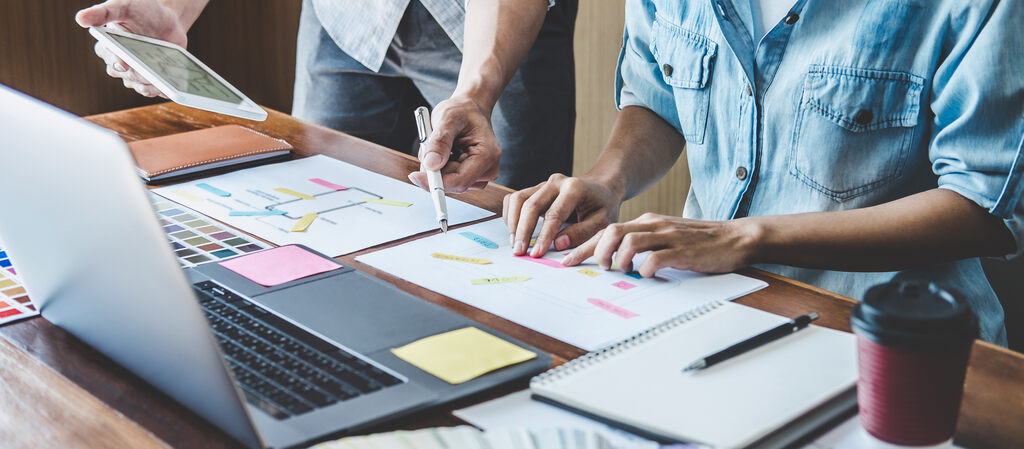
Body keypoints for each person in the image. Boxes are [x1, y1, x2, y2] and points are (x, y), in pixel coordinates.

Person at [504, 0, 1024, 344]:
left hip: (894, 344)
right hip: (700, 315)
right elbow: (657, 99)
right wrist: (609, 180)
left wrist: (746, 238)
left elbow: (982, 208)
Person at [75, 0, 577, 192]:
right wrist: (174, 9)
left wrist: (475, 92)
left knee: (510, 219)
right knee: (321, 200)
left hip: (492, 23)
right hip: (346, 18)